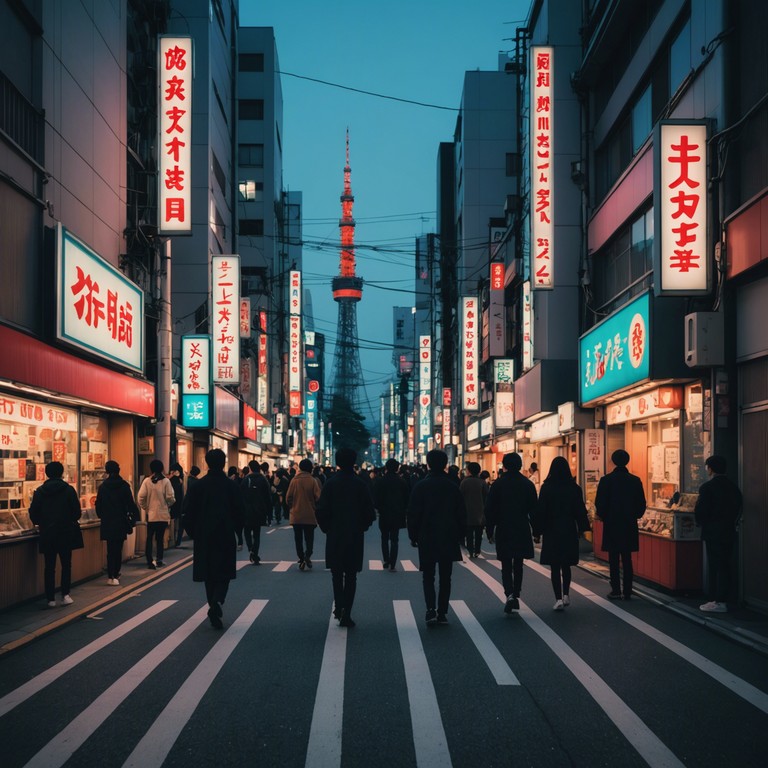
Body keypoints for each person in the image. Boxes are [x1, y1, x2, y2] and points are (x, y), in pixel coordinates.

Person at [182, 448, 246, 629]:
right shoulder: (232, 486)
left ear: (207, 463)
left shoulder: (197, 486)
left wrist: (195, 533)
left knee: (208, 573)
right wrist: (237, 531)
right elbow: (240, 511)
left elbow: (187, 513)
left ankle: (212, 603)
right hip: (225, 534)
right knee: (224, 572)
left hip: (204, 536)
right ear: (224, 463)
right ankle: (218, 600)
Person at [316, 448, 376, 627]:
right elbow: (369, 513)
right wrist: (362, 526)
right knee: (351, 575)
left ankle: (339, 605)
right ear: (354, 461)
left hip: (335, 534)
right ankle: (346, 612)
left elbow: (321, 510)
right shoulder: (360, 485)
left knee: (336, 573)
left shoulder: (330, 484)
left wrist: (327, 528)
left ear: (338, 462)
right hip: (354, 535)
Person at [407, 449, 466, 625]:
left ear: (428, 464)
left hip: (427, 535)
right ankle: (442, 612)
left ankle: (430, 610)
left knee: (428, 575)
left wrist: (413, 535)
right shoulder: (452, 487)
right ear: (445, 464)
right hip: (448, 535)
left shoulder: (421, 486)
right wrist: (460, 535)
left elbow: (413, 513)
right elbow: (461, 514)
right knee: (446, 576)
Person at [533, 456, 591, 610]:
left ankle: (558, 598)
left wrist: (537, 532)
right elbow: (580, 510)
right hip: (568, 528)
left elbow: (541, 511)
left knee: (554, 565)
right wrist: (583, 528)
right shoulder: (574, 488)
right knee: (566, 564)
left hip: (551, 530)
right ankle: (566, 594)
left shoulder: (547, 488)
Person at [484, 452, 538, 613]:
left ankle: (509, 594)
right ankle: (516, 593)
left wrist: (489, 529)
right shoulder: (527, 484)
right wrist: (536, 531)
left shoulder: (498, 485)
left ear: (504, 466)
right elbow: (534, 509)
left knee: (506, 563)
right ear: (520, 465)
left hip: (504, 526)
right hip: (521, 526)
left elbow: (490, 509)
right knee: (519, 563)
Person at [29, 461, 83, 607]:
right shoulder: (69, 490)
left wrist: (42, 523)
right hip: (65, 532)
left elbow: (33, 513)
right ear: (61, 473)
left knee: (49, 566)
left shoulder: (40, 491)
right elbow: (77, 513)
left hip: (47, 533)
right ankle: (65, 595)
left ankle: (50, 599)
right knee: (66, 565)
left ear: (46, 473)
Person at [595, 449, 646, 600]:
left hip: (612, 523)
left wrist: (604, 517)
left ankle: (616, 590)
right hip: (629, 524)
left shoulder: (606, 480)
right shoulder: (635, 480)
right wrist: (635, 515)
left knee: (613, 558)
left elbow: (600, 503)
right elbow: (641, 503)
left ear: (613, 461)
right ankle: (628, 590)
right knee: (627, 558)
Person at [694, 455, 743, 613]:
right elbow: (739, 507)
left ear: (710, 468)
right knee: (725, 565)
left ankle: (717, 600)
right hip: (729, 531)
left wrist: (701, 522)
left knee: (715, 565)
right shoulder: (733, 487)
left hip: (712, 532)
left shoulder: (707, 488)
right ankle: (724, 598)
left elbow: (701, 511)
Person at [95, 460, 140, 586]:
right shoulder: (124, 485)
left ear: (107, 471)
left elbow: (98, 505)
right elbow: (130, 503)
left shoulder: (103, 487)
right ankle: (116, 573)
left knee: (110, 549)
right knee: (118, 548)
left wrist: (102, 515)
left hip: (108, 521)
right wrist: (134, 517)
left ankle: (110, 575)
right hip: (120, 521)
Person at [137, 459, 175, 570]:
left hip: (151, 515)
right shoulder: (166, 481)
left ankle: (149, 560)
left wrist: (146, 508)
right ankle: (159, 560)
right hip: (162, 515)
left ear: (151, 469)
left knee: (149, 538)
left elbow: (141, 497)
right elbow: (170, 498)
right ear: (162, 468)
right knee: (160, 538)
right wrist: (167, 505)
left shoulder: (147, 481)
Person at [372, 458, 410, 571]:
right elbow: (407, 498)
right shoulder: (402, 482)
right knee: (394, 539)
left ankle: (386, 560)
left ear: (386, 468)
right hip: (397, 513)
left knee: (384, 537)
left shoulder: (381, 481)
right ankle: (393, 563)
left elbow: (376, 498)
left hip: (384, 513)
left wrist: (379, 508)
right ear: (397, 468)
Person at [285, 458, 321, 569]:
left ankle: (301, 557)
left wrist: (293, 506)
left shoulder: (294, 480)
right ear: (310, 468)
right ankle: (307, 555)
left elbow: (288, 498)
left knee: (298, 537)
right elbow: (318, 497)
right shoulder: (313, 481)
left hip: (296, 515)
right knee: (309, 538)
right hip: (310, 514)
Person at [242, 459, 272, 564]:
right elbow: (268, 498)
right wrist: (269, 514)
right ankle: (255, 552)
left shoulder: (246, 479)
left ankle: (250, 548)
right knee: (257, 533)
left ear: (250, 468)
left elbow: (240, 496)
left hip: (247, 511)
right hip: (260, 511)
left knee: (246, 531)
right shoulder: (263, 480)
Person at [460, 462, 488, 558]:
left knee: (469, 533)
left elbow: (460, 497)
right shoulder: (482, 482)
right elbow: (486, 496)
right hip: (480, 512)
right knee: (478, 533)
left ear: (469, 471)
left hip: (467, 512)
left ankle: (470, 550)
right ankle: (477, 550)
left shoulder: (464, 482)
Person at [168, 463, 185, 547]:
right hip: (180, 504)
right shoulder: (180, 481)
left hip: (172, 505)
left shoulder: (169, 481)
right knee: (179, 524)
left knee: (173, 522)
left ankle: (172, 540)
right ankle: (177, 541)